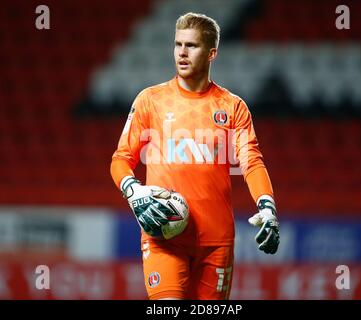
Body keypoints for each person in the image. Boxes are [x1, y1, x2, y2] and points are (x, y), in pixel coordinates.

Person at [110, 12, 279, 300]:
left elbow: (251, 160)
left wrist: (267, 207)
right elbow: (121, 159)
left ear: (212, 53)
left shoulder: (233, 107)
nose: (182, 53)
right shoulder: (151, 100)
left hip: (216, 241)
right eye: (178, 44)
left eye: (192, 46)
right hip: (164, 233)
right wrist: (133, 190)